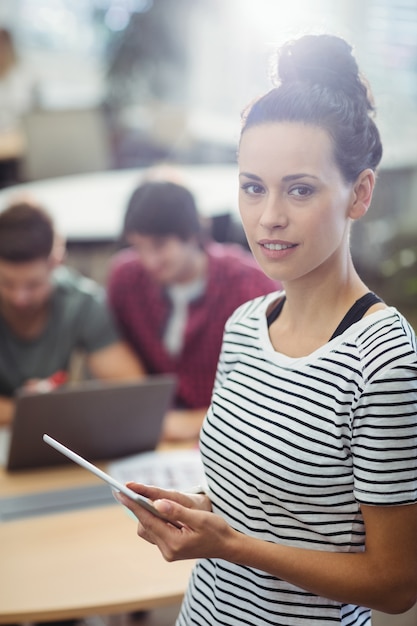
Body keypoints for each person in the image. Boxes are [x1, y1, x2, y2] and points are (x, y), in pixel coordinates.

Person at [115, 34, 417, 625]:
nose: (268, 216)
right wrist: (198, 513)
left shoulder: (383, 359)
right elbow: (264, 512)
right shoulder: (245, 324)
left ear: (359, 193)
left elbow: (395, 582)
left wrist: (230, 546)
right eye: (253, 187)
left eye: (299, 189)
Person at [107, 178, 278, 442]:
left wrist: (194, 421)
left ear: (191, 234)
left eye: (159, 246)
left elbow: (273, 388)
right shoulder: (126, 279)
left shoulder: (249, 286)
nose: (148, 260)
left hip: (236, 439)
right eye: (138, 246)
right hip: (154, 442)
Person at [0, 199, 144, 426]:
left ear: (56, 262)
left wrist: (43, 408)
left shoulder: (82, 303)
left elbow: (132, 391)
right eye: (7, 283)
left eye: (33, 285)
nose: (19, 297)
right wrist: (35, 409)